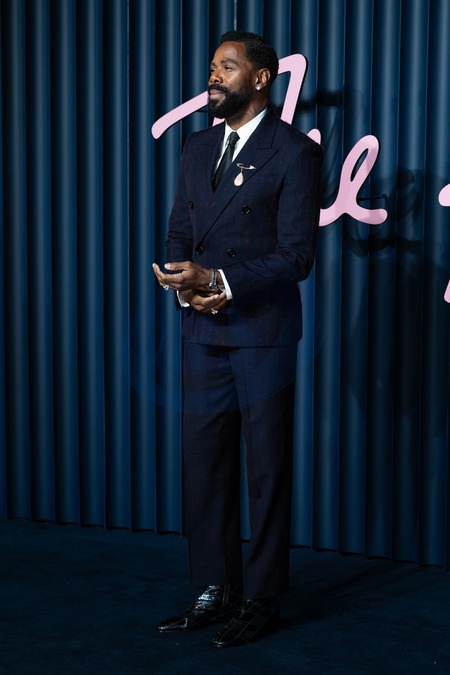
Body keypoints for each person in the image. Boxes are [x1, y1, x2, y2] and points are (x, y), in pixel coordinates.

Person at [152, 30, 322, 648]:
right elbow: (180, 229)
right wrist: (184, 283)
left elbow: (297, 256)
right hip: (201, 327)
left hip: (262, 333)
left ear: (260, 78)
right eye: (211, 67)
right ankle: (214, 587)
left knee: (265, 468)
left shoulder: (294, 152)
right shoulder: (196, 146)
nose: (213, 77)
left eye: (227, 67)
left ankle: (262, 597)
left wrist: (221, 281)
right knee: (204, 464)